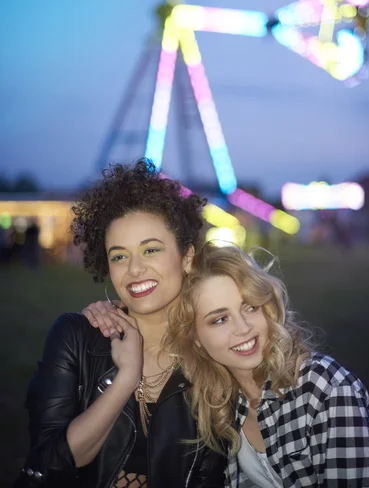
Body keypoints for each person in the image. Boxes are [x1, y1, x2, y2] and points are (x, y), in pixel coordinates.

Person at [84, 243, 369, 487]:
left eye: (249, 307)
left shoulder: (324, 386)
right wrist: (112, 312)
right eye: (219, 319)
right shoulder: (222, 404)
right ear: (196, 338)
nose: (243, 328)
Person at [14, 160, 226, 488]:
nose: (135, 269)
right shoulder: (76, 338)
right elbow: (49, 466)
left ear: (186, 257)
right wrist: (127, 377)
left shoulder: (214, 355)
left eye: (150, 250)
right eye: (119, 256)